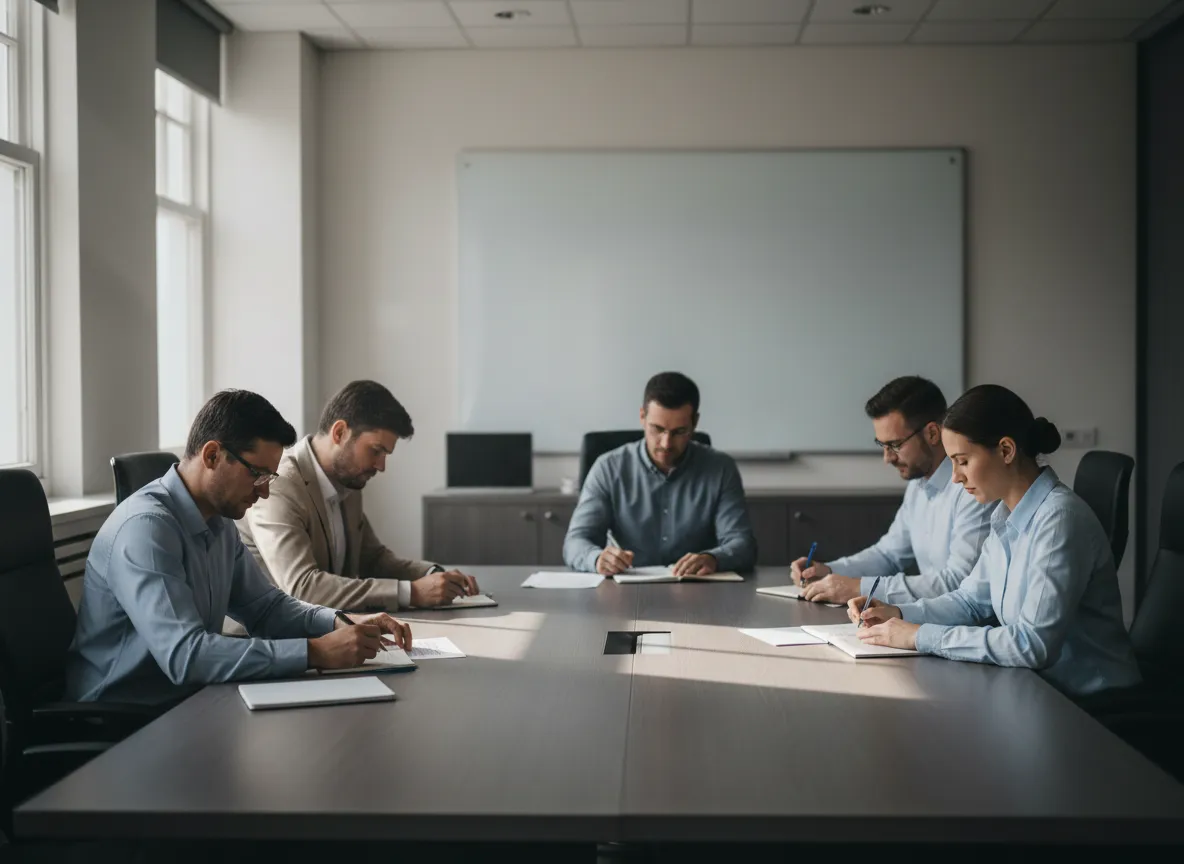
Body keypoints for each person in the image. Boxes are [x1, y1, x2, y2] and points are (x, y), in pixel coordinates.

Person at [66, 390, 411, 705]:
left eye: (270, 478)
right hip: (123, 716)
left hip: (187, 700)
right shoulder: (146, 529)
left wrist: (338, 622)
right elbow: (185, 656)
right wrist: (315, 652)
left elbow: (265, 607)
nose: (263, 492)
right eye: (257, 474)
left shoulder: (217, 520)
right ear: (213, 455)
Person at [848, 384, 1140, 697]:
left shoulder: (1058, 521)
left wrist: (919, 636)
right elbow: (970, 600)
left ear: (1005, 451)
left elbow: (1032, 645)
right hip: (1036, 688)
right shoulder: (1004, 514)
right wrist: (900, 614)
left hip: (1091, 704)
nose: (956, 478)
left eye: (962, 461)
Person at [239, 380, 478, 610]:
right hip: (268, 640)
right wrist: (412, 592)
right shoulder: (281, 484)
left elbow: (373, 559)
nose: (381, 466)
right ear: (340, 432)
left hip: (327, 630)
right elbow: (303, 587)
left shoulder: (348, 480)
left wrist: (433, 576)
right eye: (376, 451)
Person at [791, 376, 995, 605]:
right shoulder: (917, 486)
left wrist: (858, 587)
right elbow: (888, 555)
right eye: (883, 446)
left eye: (895, 445)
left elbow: (958, 582)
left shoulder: (973, 488)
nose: (887, 458)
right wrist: (829, 571)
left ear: (932, 434)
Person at [563, 372, 756, 576]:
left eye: (679, 432)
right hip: (627, 590)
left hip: (698, 591)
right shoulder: (608, 468)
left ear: (695, 423)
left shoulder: (721, 469)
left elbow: (743, 544)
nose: (666, 443)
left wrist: (714, 559)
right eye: (657, 429)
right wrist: (597, 559)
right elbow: (575, 542)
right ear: (642, 417)